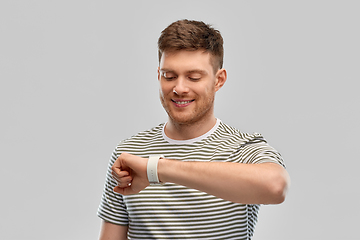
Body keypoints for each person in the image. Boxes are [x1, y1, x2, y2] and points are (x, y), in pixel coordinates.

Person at [97, 19, 290, 240]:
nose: (179, 88)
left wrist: (156, 170)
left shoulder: (243, 149)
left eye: (193, 77)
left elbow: (276, 187)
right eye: (169, 76)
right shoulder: (129, 153)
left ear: (219, 80)